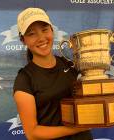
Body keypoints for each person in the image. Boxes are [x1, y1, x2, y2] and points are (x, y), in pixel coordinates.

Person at [13, 7, 93, 140]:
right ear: (23, 40)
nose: (41, 38)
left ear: (52, 30)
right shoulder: (24, 80)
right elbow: (32, 133)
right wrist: (75, 129)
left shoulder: (70, 65)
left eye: (44, 30)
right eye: (32, 33)